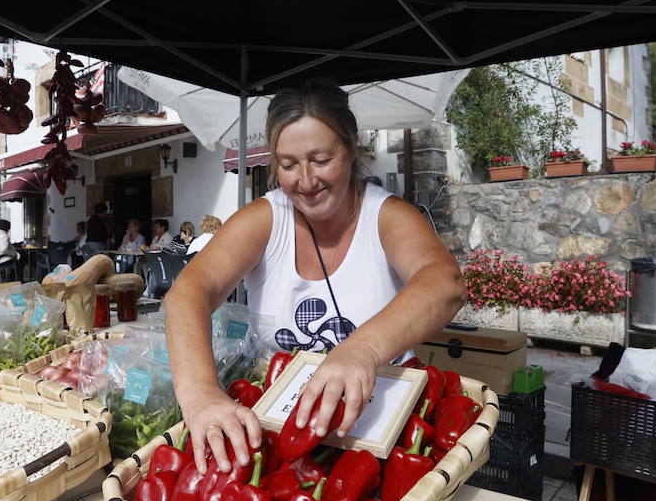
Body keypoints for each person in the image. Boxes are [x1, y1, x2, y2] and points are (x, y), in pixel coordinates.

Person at [165, 79, 464, 474]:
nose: (305, 182)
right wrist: (201, 392)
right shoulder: (267, 218)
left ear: (351, 146)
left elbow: (445, 282)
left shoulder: (386, 216)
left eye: (322, 160)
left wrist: (363, 349)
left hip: (378, 446)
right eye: (288, 165)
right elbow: (189, 291)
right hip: (280, 440)